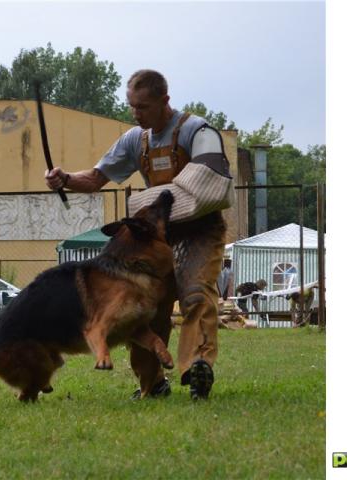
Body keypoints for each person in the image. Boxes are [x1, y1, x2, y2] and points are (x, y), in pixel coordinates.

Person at [45, 70, 234, 400]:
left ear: (165, 101)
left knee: (195, 295)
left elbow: (211, 180)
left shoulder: (196, 130)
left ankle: (198, 367)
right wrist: (65, 178)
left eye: (143, 107)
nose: (136, 113)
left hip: (200, 231)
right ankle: (152, 383)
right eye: (132, 106)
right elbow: (94, 178)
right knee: (146, 309)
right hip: (157, 238)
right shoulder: (135, 139)